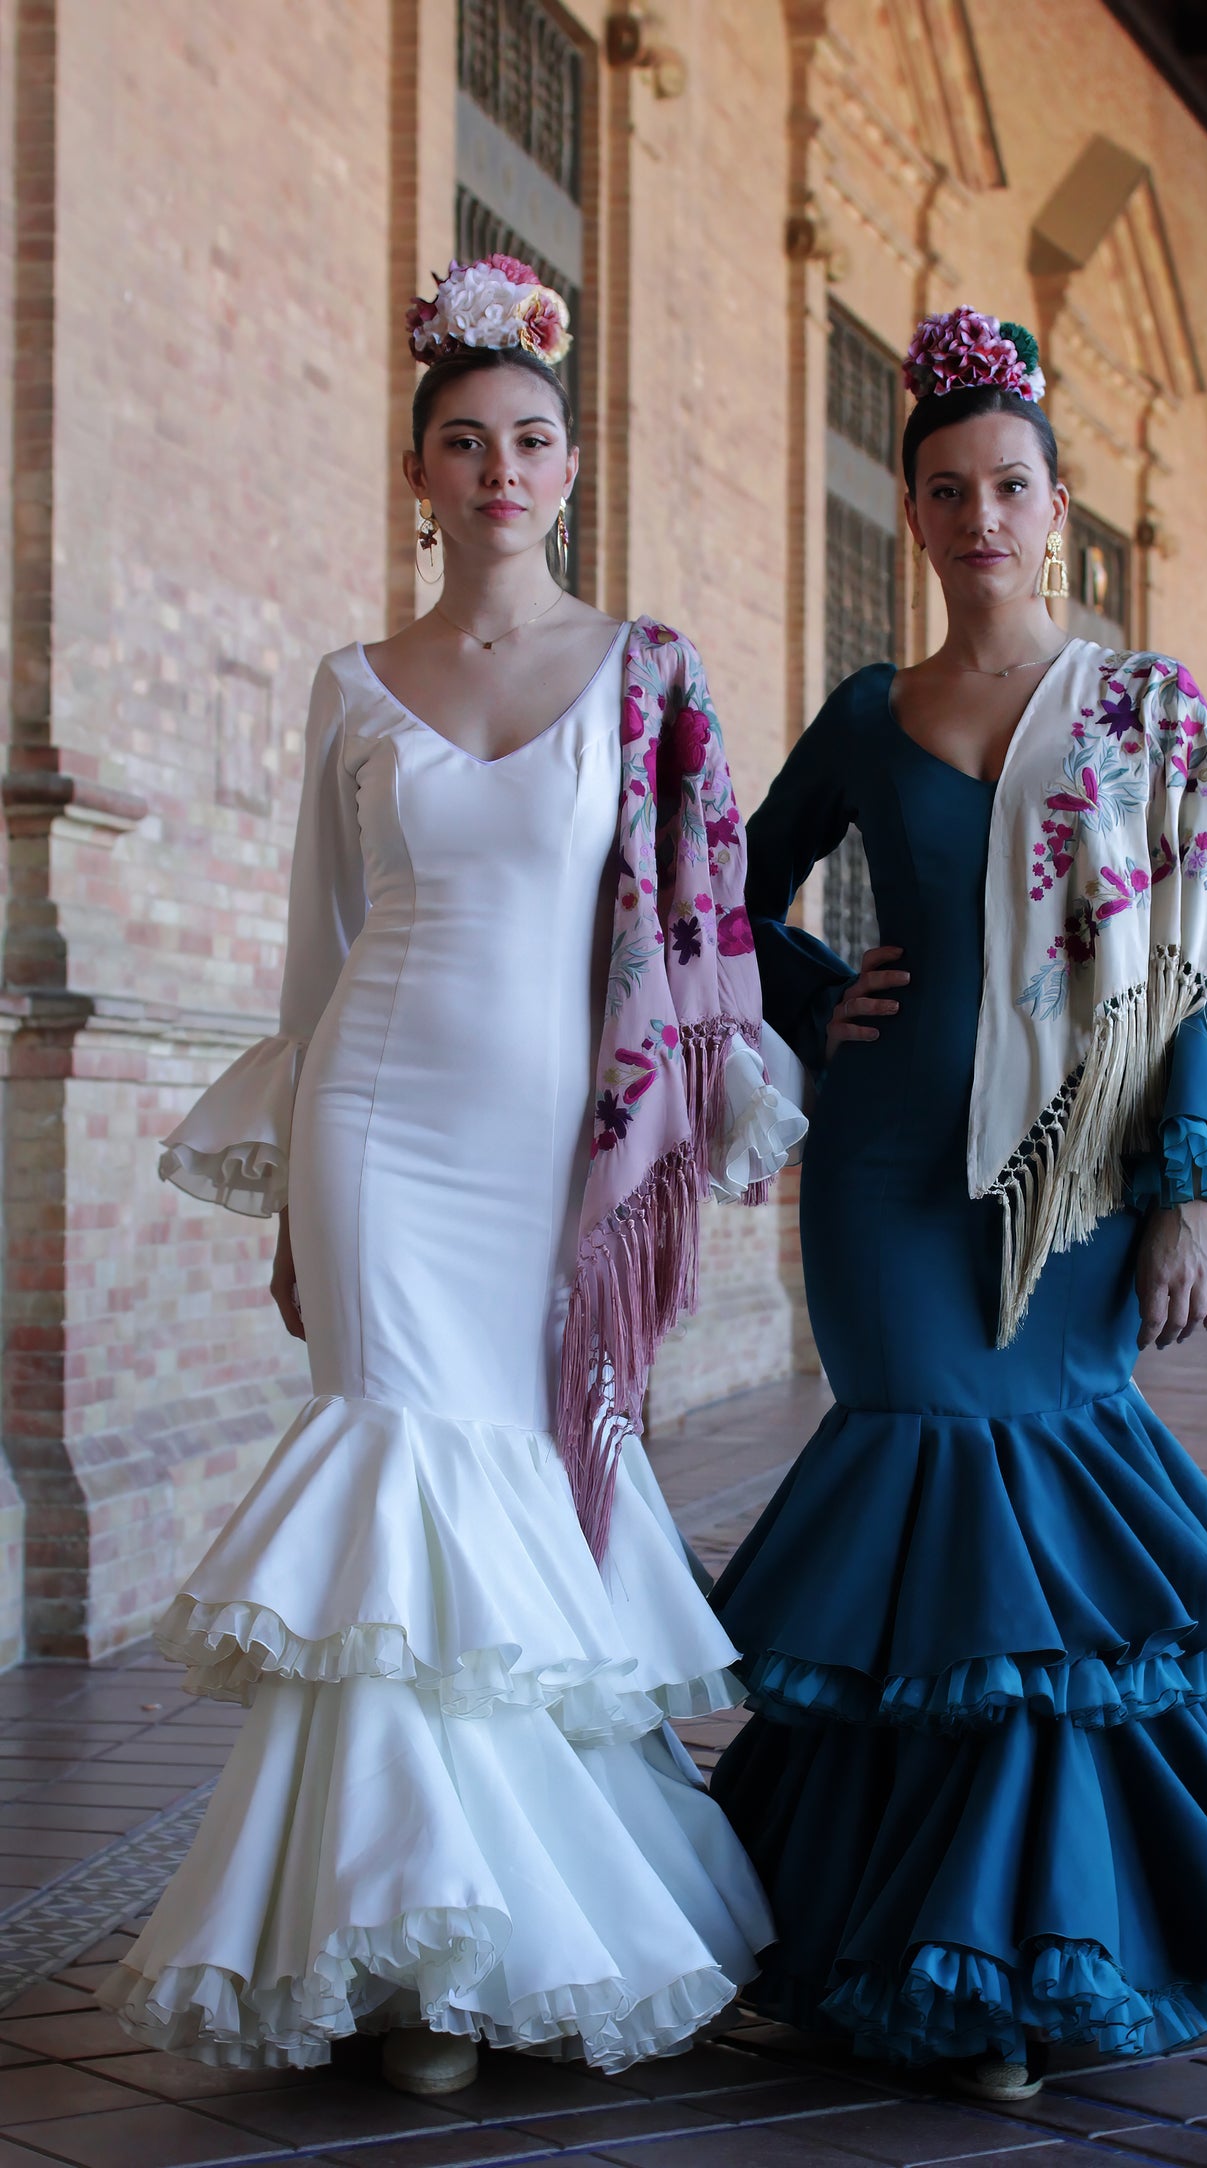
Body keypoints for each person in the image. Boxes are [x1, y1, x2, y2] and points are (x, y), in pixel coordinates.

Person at [99, 254, 802, 2091]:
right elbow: (312, 957)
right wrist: (280, 1182)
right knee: (400, 1490)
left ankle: (511, 1936)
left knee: (521, 1497)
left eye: (535, 440)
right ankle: (405, 1956)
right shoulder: (349, 684)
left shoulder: (645, 674)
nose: (503, 469)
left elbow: (695, 921)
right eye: (466, 442)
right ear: (417, 473)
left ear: (572, 468)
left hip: (546, 1144)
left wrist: (703, 1110)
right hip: (372, 1122)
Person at [708, 307, 1207, 2102]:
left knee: (1030, 1549)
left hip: (1076, 1179)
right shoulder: (863, 713)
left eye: (1007, 485)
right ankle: (879, 1944)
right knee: (924, 1503)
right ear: (908, 515)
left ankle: (989, 1960)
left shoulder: (1149, 708)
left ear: (1053, 505)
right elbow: (721, 887)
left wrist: (1191, 1193)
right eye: (944, 489)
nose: (977, 514)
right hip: (888, 1168)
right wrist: (803, 986)